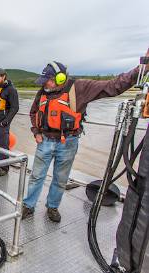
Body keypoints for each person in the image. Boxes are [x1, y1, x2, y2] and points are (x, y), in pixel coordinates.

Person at [22, 50, 149, 223]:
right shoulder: (42, 92)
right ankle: (28, 206)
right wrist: (36, 132)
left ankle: (52, 207)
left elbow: (113, 86)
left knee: (60, 179)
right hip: (44, 140)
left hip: (68, 142)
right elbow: (33, 112)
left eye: (49, 81)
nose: (46, 85)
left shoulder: (80, 87)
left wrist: (141, 69)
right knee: (36, 176)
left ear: (60, 78)